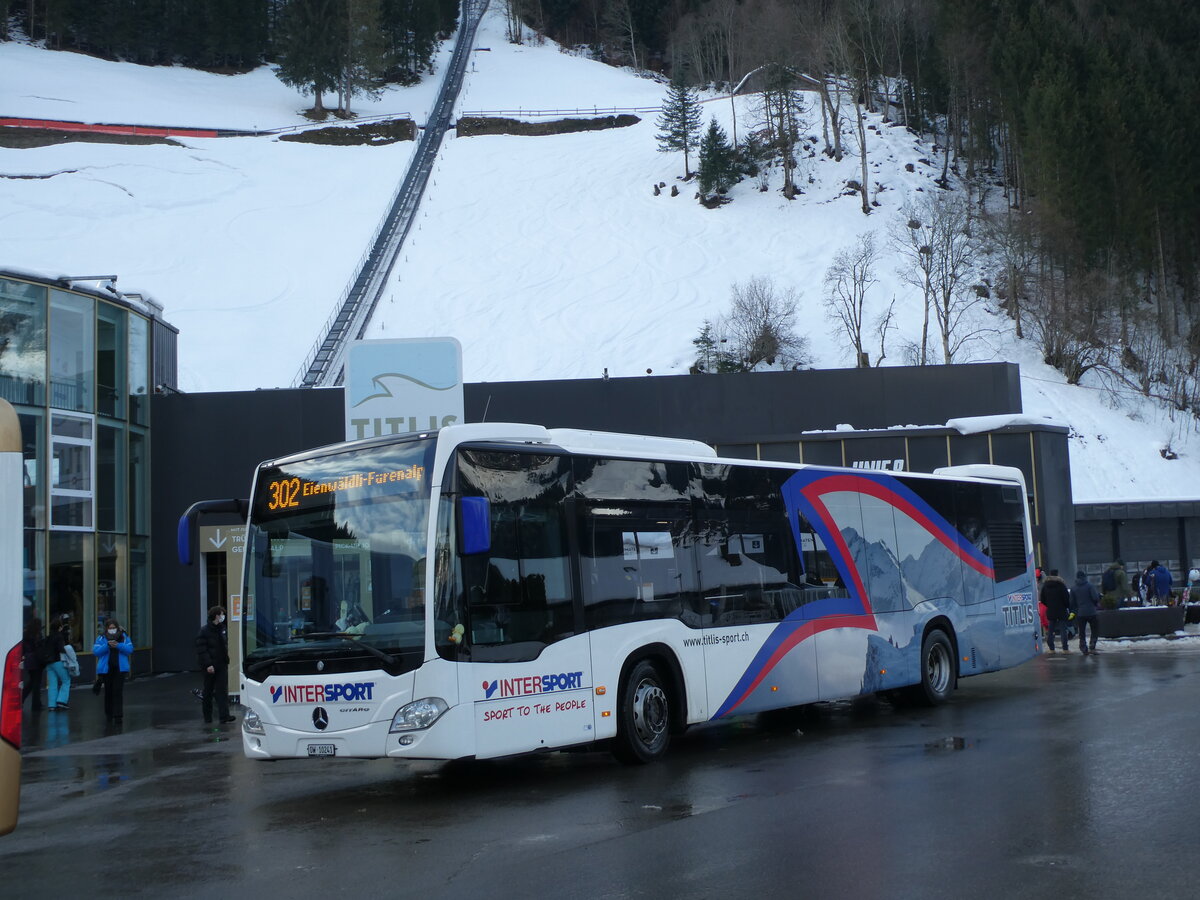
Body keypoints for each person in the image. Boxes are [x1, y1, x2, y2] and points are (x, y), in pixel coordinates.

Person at [196, 606, 235, 725]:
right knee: (208, 691)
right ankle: (207, 717)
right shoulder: (205, 631)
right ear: (217, 615)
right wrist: (208, 664)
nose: (223, 617)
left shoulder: (222, 629)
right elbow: (202, 649)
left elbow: (224, 645)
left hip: (221, 664)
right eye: (222, 614)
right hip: (210, 666)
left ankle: (224, 716)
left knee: (222, 690)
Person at [93, 617, 134, 723]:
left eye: (114, 627)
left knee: (117, 691)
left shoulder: (124, 636)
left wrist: (119, 645)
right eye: (110, 628)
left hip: (120, 669)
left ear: (117, 627)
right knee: (108, 691)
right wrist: (107, 646)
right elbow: (96, 651)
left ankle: (118, 715)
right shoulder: (101, 638)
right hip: (107, 669)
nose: (112, 629)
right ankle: (109, 714)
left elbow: (130, 649)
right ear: (106, 628)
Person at [1040, 568, 1073, 654]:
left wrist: (1049, 605)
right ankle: (1065, 649)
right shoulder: (1061, 585)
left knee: (1050, 630)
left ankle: (1051, 649)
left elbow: (1042, 599)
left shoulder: (1045, 586)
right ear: (1057, 574)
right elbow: (1066, 598)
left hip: (1051, 610)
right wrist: (1066, 606)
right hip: (1061, 610)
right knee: (1063, 630)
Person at [44, 615, 73, 710]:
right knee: (66, 680)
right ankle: (62, 700)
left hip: (48, 663)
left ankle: (52, 704)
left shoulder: (48, 636)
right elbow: (61, 649)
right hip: (57, 661)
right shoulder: (59, 636)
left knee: (52, 683)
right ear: (60, 627)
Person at [1070, 570, 1100, 655]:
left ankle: (1083, 647)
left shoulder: (1074, 588)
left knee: (1082, 631)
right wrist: (1095, 604)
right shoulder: (1090, 586)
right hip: (1092, 612)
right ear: (1084, 576)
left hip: (1080, 613)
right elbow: (1095, 598)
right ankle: (1092, 645)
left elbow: (1072, 602)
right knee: (1094, 629)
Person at [22, 616, 47, 711]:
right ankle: (36, 704)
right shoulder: (37, 635)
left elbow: (24, 649)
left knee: (32, 682)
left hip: (28, 660)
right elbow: (39, 647)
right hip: (36, 660)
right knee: (36, 683)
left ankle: (23, 698)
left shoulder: (26, 634)